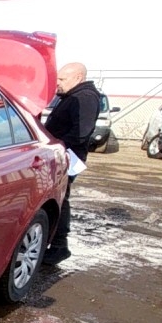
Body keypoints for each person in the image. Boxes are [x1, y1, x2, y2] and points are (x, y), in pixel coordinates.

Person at [41, 62, 101, 265]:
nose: (58, 83)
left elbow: (81, 132)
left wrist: (57, 145)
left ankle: (59, 246)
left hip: (68, 156)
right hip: (62, 153)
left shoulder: (84, 98)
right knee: (58, 197)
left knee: (60, 199)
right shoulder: (72, 96)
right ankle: (56, 244)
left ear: (78, 78)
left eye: (62, 79)